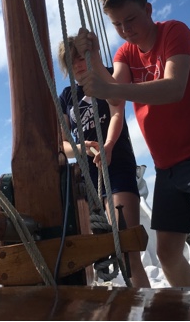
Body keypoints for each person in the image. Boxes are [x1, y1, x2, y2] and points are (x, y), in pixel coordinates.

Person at [75, 0, 190, 287]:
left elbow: (173, 88)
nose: (125, 29)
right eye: (116, 24)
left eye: (130, 19)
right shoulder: (125, 53)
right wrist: (96, 58)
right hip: (167, 168)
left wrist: (113, 88)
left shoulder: (174, 32)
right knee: (167, 252)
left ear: (148, 10)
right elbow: (115, 97)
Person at [58, 36, 151, 288]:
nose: (78, 64)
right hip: (85, 181)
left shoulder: (108, 77)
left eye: (81, 57)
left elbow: (117, 112)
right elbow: (63, 145)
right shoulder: (66, 97)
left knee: (127, 252)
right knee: (93, 253)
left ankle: (149, 307)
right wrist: (83, 148)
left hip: (116, 166)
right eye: (71, 61)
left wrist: (107, 146)